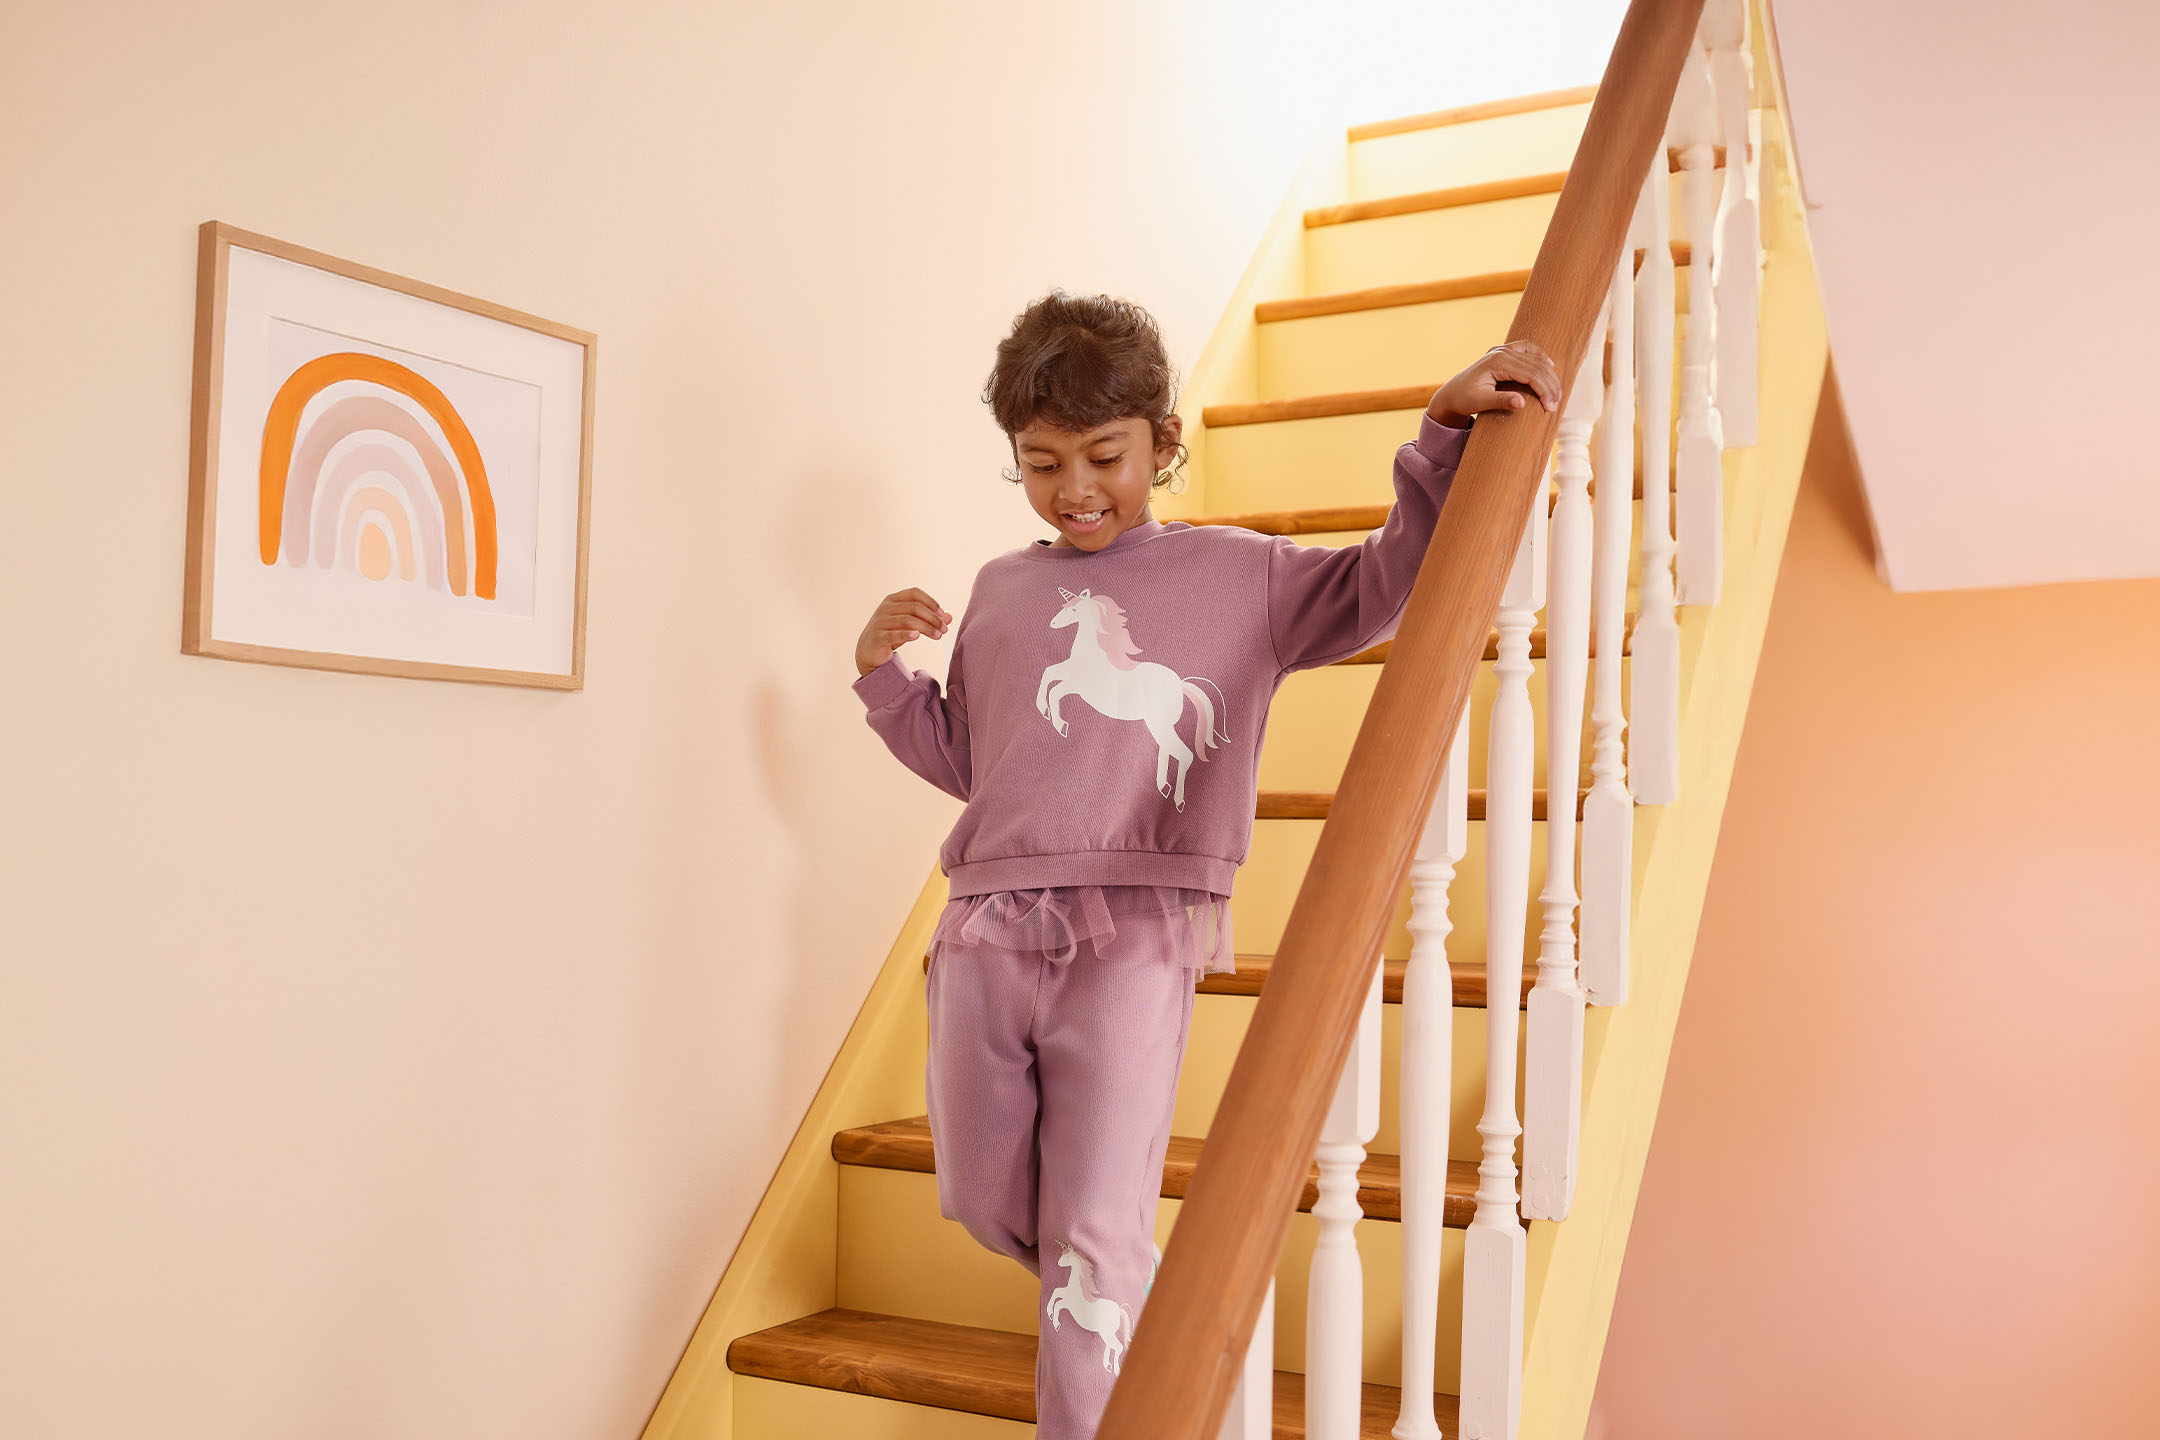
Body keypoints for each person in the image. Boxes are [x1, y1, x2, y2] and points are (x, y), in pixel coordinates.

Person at [850, 289, 1558, 1438]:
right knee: (982, 1199)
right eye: (1041, 464)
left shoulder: (1242, 577)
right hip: (985, 926)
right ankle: (1124, 1284)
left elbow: (1386, 583)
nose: (1075, 489)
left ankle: (1107, 1335)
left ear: (1163, 444)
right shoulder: (998, 591)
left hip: (1134, 938)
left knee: (1092, 1239)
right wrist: (885, 679)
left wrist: (1439, 433)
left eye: (1103, 456)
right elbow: (982, 764)